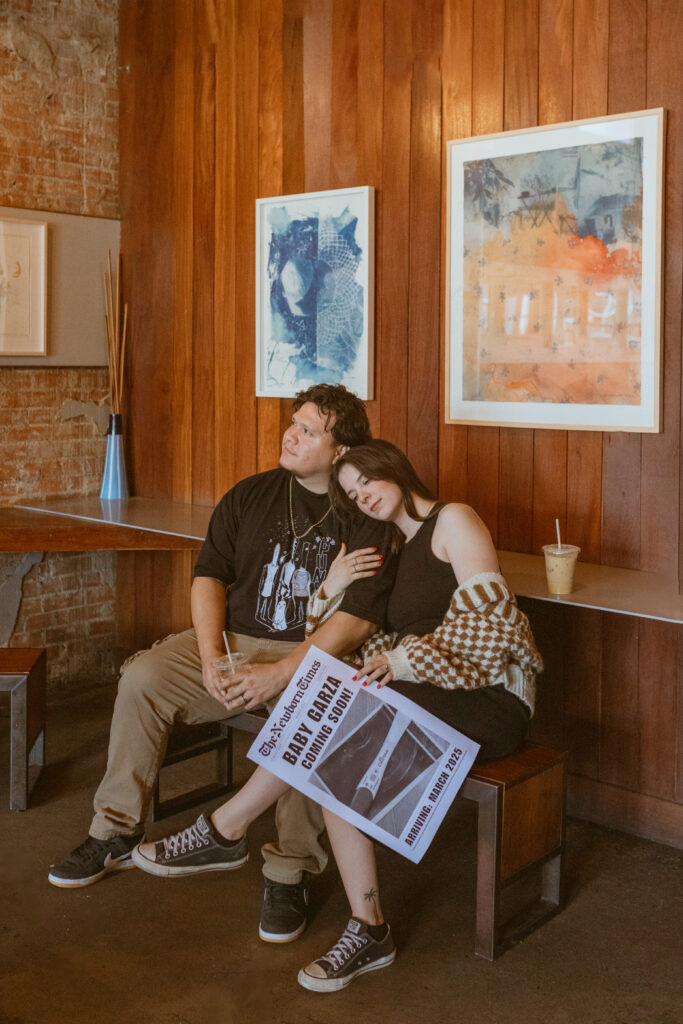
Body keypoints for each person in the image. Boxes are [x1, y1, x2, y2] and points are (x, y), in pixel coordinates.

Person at [132, 439, 543, 992]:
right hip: (428, 687)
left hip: (491, 696)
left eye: (368, 483)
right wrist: (334, 584)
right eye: (352, 493)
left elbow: (492, 630)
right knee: (334, 722)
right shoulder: (391, 545)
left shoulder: (454, 521)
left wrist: (398, 661)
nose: (363, 497)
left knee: (341, 714)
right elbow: (336, 633)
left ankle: (225, 828)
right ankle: (369, 928)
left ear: (394, 468)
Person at [48, 385, 397, 947]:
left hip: (311, 656)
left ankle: (289, 871)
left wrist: (281, 672)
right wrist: (212, 655)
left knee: (311, 717)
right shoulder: (251, 494)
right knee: (143, 678)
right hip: (234, 641)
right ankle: (114, 830)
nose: (291, 434)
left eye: (309, 431)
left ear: (339, 452)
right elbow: (209, 575)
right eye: (294, 423)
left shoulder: (364, 509)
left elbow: (358, 620)